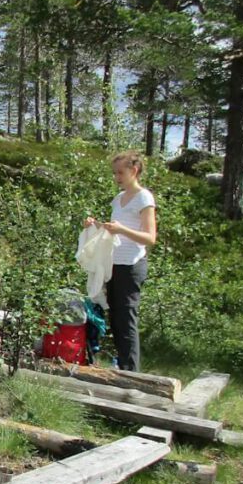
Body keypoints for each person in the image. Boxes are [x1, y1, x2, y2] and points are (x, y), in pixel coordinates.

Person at [83, 150, 158, 372]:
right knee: (115, 317)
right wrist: (95, 225)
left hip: (132, 265)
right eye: (114, 173)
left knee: (126, 319)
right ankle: (123, 366)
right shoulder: (118, 199)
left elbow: (150, 238)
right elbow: (112, 232)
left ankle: (131, 372)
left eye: (120, 173)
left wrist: (121, 229)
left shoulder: (144, 197)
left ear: (134, 171)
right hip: (114, 265)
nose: (116, 177)